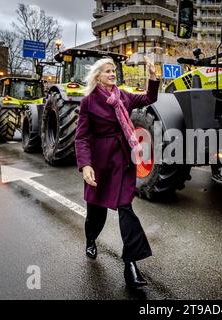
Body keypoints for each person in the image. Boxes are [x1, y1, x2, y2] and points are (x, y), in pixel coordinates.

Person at [75, 56, 160, 288]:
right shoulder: (89, 102)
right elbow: (81, 137)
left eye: (114, 71)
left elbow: (149, 98)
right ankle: (91, 238)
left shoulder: (123, 96)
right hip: (100, 163)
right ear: (98, 77)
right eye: (107, 71)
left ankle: (130, 264)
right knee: (96, 211)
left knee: (126, 208)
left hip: (123, 160)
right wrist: (86, 165)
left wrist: (152, 76)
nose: (113, 74)